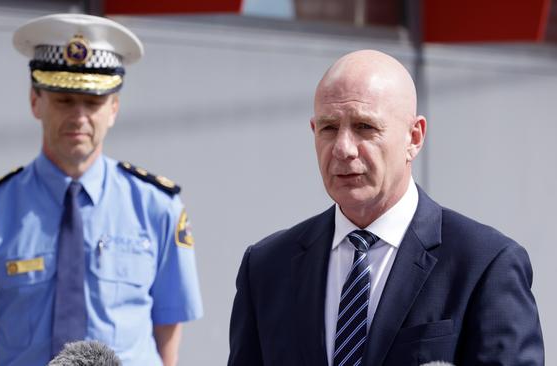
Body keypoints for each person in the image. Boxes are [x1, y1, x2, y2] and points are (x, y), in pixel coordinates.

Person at [228, 50, 544, 365]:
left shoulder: (485, 264)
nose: (343, 148)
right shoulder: (267, 267)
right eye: (329, 128)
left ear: (414, 137)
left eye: (365, 127)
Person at [0, 13, 203, 366]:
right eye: (64, 100)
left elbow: (167, 339)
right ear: (35, 101)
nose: (80, 116)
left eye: (94, 103)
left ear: (114, 108)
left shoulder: (158, 208)